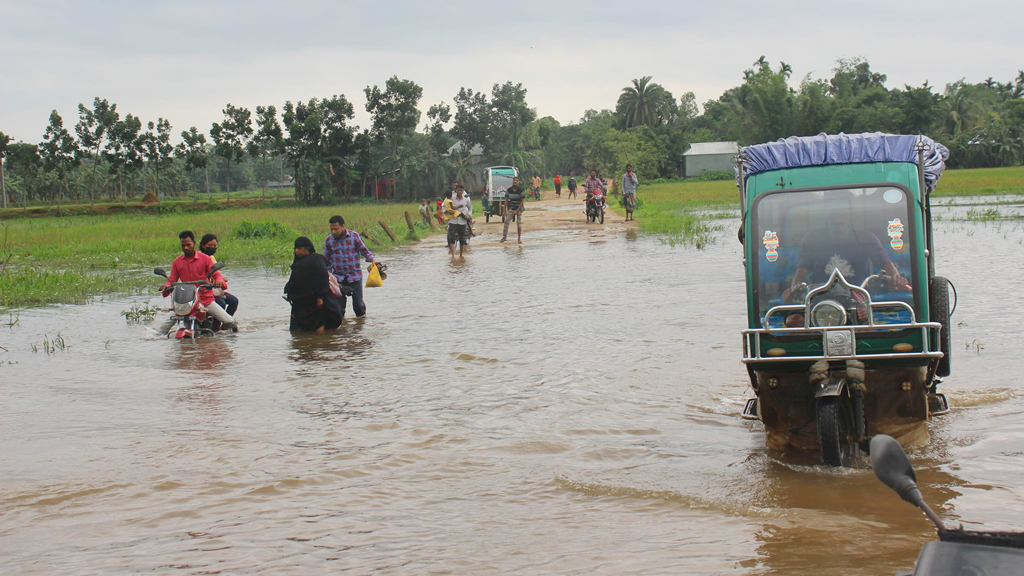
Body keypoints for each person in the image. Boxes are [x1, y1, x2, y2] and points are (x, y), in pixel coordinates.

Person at [784, 205, 905, 301]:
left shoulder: (865, 238)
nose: (837, 218)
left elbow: (886, 265)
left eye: (841, 214)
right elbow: (801, 273)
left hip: (858, 297)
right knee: (794, 321)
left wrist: (896, 279)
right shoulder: (813, 239)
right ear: (827, 217)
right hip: (820, 298)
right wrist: (795, 292)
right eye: (833, 215)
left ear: (849, 216)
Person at [160, 230, 237, 333]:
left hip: (205, 299)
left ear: (194, 244)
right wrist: (167, 287)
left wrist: (219, 281)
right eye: (183, 245)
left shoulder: (205, 259)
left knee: (227, 320)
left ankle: (234, 328)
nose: (186, 248)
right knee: (164, 327)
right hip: (186, 301)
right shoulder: (177, 262)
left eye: (188, 245)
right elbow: (171, 280)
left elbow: (216, 274)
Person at [323, 215, 378, 317]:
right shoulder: (328, 241)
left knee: (358, 307)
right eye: (331, 229)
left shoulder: (354, 236)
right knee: (338, 309)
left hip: (355, 276)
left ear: (343, 226)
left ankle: (360, 328)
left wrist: (373, 260)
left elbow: (365, 251)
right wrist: (330, 277)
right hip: (338, 278)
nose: (333, 232)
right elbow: (326, 261)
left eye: (336, 229)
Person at [284, 237, 342, 332]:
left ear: (307, 249)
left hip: (315, 302)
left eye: (299, 248)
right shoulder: (299, 262)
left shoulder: (316, 260)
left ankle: (318, 343)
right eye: (295, 248)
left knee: (317, 325)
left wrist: (320, 298)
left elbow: (322, 278)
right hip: (301, 302)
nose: (296, 251)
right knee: (299, 329)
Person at [199, 233, 239, 325]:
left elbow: (215, 273)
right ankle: (215, 327)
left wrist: (221, 279)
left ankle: (225, 324)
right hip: (205, 290)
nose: (212, 248)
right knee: (221, 304)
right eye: (210, 246)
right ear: (203, 245)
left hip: (215, 289)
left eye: (214, 246)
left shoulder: (211, 258)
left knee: (233, 301)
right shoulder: (200, 259)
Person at [447, 184, 473, 257]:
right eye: (458, 190)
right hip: (453, 221)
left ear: (463, 191)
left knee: (462, 238)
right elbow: (444, 206)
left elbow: (470, 209)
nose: (460, 191)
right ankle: (452, 255)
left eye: (461, 190)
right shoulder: (451, 199)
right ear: (456, 190)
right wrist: (447, 212)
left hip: (462, 221)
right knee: (452, 237)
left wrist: (468, 214)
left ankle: (461, 254)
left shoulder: (466, 200)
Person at [500, 176, 526, 244]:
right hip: (511, 208)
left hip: (519, 208)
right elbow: (506, 200)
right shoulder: (509, 190)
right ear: (512, 181)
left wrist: (517, 211)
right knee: (506, 222)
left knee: (519, 223)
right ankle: (504, 237)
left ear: (518, 182)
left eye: (517, 180)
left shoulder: (521, 190)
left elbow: (522, 202)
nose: (515, 182)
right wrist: (504, 210)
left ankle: (519, 238)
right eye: (514, 180)